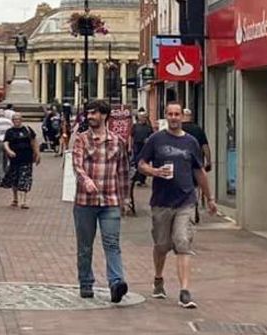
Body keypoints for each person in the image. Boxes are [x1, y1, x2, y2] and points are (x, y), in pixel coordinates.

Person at [137, 102, 209, 308]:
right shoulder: (155, 140)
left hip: (185, 200)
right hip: (161, 200)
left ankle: (185, 290)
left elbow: (198, 171)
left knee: (182, 241)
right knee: (161, 245)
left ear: (182, 117)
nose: (174, 117)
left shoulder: (191, 142)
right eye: (171, 114)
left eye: (177, 114)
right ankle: (158, 278)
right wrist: (154, 172)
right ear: (166, 116)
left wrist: (209, 198)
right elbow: (141, 163)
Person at [68, 99, 130, 304]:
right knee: (85, 245)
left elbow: (122, 171)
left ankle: (116, 283)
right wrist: (85, 180)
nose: (90, 117)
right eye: (89, 113)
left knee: (112, 243)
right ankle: (86, 283)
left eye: (94, 113)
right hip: (85, 202)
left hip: (110, 200)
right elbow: (77, 165)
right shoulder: (81, 140)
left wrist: (125, 198)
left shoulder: (117, 141)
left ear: (104, 115)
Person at [179, 105, 218, 218]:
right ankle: (194, 204)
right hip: (196, 162)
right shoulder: (198, 129)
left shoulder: (177, 128)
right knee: (196, 184)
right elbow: (205, 146)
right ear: (190, 116)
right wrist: (209, 161)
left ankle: (184, 205)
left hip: (181, 163)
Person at [1, 110, 38, 209]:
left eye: (18, 119)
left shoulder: (27, 129)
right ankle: (15, 198)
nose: (17, 121)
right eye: (15, 119)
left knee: (25, 178)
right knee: (15, 179)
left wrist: (37, 154)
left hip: (27, 158)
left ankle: (24, 201)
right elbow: (5, 143)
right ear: (12, 121)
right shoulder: (9, 131)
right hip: (15, 159)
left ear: (22, 120)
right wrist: (9, 151)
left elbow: (34, 141)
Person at [120, 105, 152, 217]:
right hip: (136, 147)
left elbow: (151, 137)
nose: (142, 119)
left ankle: (141, 178)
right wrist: (129, 146)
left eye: (144, 117)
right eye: (141, 117)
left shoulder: (148, 127)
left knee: (143, 164)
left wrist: (149, 141)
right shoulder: (135, 126)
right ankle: (136, 177)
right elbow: (130, 137)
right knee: (135, 163)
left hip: (145, 148)